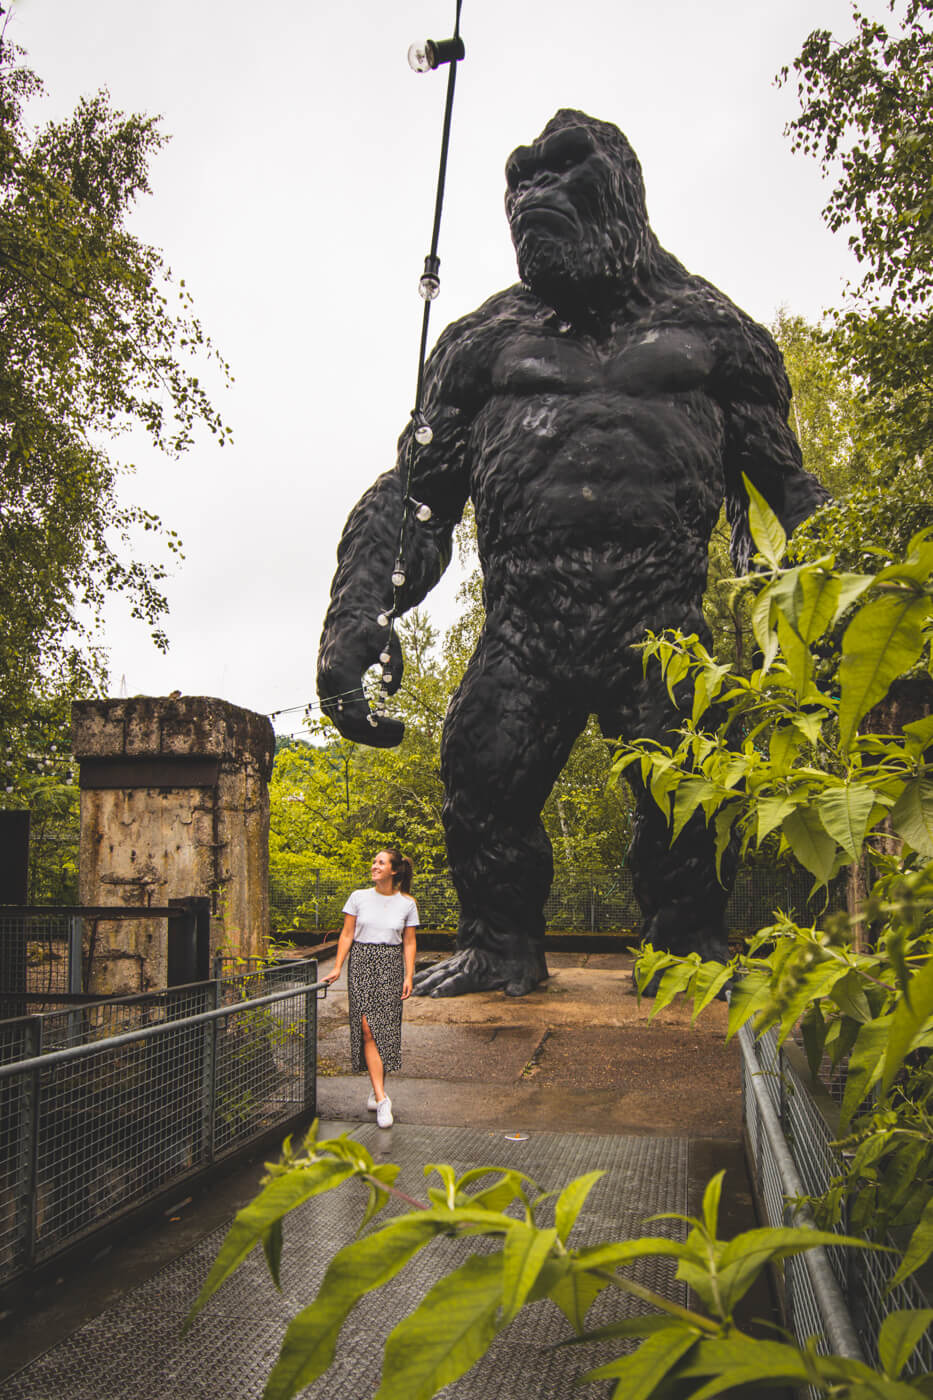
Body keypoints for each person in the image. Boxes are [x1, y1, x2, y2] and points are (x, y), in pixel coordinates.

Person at [317, 110, 830, 998]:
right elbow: (418, 497)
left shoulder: (714, 331)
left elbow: (788, 489)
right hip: (527, 623)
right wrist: (359, 609)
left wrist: (846, 603)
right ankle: (500, 945)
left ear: (622, 191)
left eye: (558, 175)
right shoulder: (480, 344)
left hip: (663, 623)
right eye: (520, 182)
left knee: (692, 794)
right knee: (480, 770)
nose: (533, 197)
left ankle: (684, 939)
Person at [323, 847, 418, 1127]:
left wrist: (409, 975)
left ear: (394, 870)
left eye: (381, 862)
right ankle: (382, 1099)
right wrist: (338, 967)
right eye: (374, 861)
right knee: (367, 1028)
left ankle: (377, 1091)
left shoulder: (407, 903)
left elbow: (410, 942)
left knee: (384, 1030)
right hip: (362, 962)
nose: (374, 865)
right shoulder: (358, 897)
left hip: (391, 963)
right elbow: (347, 934)